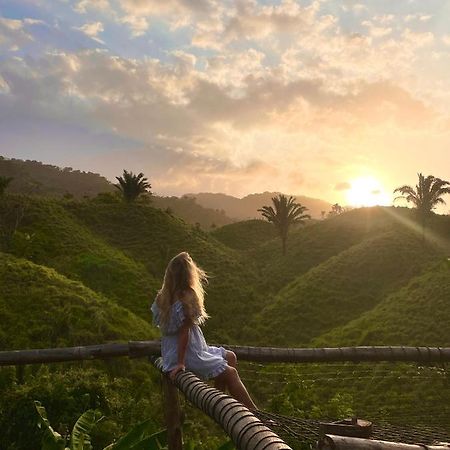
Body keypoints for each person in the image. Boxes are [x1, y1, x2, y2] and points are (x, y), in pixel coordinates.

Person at [151, 251, 257, 410]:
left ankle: (217, 401)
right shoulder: (187, 295)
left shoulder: (162, 296)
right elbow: (184, 333)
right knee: (231, 373)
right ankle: (256, 414)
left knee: (230, 356)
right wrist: (180, 362)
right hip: (188, 353)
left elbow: (167, 331)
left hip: (172, 353)